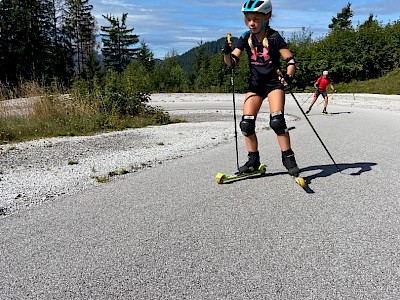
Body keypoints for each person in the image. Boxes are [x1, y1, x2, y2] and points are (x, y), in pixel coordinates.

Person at [222, 0, 300, 177]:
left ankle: (288, 158)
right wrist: (227, 53)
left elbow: (290, 60)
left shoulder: (274, 37)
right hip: (255, 85)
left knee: (277, 121)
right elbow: (231, 64)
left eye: (255, 19)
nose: (251, 23)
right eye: (248, 19)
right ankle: (253, 162)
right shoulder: (245, 38)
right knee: (246, 124)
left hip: (273, 84)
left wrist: (288, 75)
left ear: (267, 17)